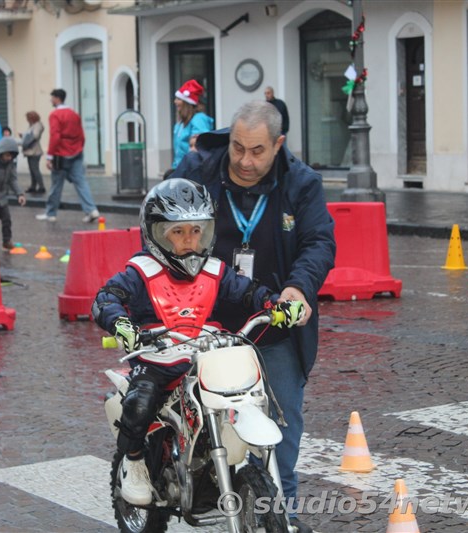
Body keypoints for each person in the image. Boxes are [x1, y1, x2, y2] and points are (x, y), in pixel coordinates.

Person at [171, 100, 336, 533]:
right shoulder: (198, 170)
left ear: (278, 145)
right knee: (187, 409)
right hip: (206, 320)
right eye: (238, 148)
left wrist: (297, 288)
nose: (245, 161)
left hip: (273, 325)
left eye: (258, 151)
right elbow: (162, 222)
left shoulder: (302, 185)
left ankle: (284, 516)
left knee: (282, 424)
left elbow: (318, 242)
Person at [92, 178, 304, 506]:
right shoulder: (140, 271)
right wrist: (122, 324)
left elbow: (249, 292)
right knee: (141, 398)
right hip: (157, 358)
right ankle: (133, 462)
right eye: (178, 232)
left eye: (196, 231)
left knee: (247, 389)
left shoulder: (216, 270)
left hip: (206, 357)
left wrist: (275, 305)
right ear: (156, 234)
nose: (189, 241)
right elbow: (107, 297)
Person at [36, 89, 99, 223]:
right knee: (81, 182)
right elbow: (81, 135)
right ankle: (91, 209)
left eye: (52, 98)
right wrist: (79, 148)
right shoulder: (74, 114)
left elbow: (55, 136)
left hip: (60, 154)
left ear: (57, 99)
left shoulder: (55, 115)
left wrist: (49, 156)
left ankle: (51, 213)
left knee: (56, 185)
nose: (51, 100)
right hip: (76, 152)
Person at [172, 79, 214, 170]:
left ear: (187, 102)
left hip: (192, 170)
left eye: (178, 99)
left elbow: (199, 147)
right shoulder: (181, 123)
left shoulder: (198, 119)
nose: (175, 102)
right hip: (180, 168)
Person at [21, 111, 46, 194]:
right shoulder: (32, 125)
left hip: (34, 151)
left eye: (28, 118)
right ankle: (33, 186)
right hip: (31, 151)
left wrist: (27, 138)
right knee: (32, 170)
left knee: (35, 169)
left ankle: (41, 187)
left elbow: (35, 135)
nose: (27, 120)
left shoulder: (37, 125)